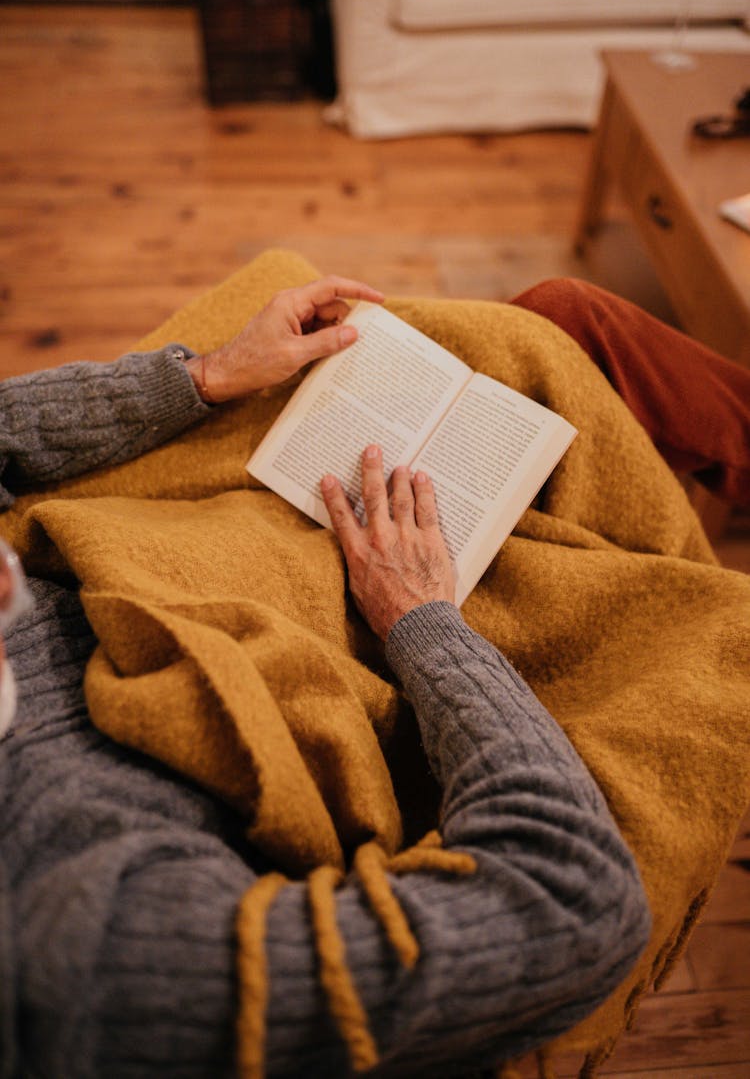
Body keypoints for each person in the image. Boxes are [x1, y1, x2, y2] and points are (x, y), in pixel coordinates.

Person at [8, 268, 739, 1078]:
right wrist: (419, 618)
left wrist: (207, 376)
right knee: (685, 598)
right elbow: (572, 902)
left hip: (147, 530)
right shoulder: (90, 944)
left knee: (548, 324)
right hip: (325, 640)